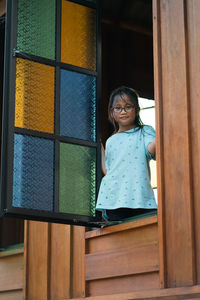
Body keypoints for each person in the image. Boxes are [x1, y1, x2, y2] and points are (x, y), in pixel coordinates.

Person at [96, 86, 157, 221]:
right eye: (118, 108)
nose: (123, 111)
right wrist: (98, 145)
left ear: (136, 110)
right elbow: (108, 170)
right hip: (113, 199)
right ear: (112, 112)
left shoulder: (145, 131)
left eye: (128, 107)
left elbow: (151, 149)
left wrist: (162, 132)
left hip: (140, 198)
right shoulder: (111, 141)